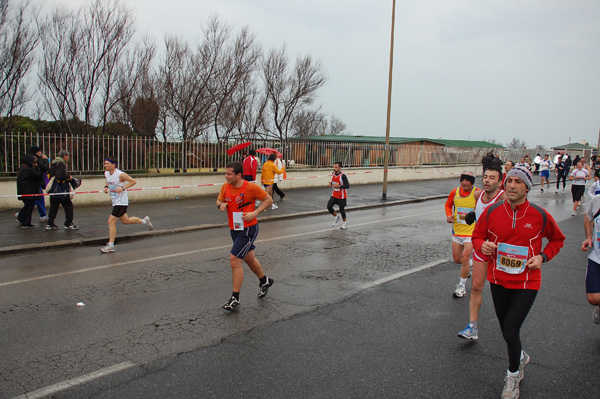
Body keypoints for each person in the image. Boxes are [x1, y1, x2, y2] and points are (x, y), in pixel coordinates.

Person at [472, 166, 565, 399]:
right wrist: (481, 246)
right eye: (509, 181)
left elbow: (557, 239)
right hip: (499, 279)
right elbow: (477, 236)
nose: (511, 185)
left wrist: (542, 257)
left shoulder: (539, 215)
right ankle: (520, 356)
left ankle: (513, 375)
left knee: (512, 330)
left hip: (527, 281)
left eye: (517, 182)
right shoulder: (493, 212)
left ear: (527, 187)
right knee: (506, 331)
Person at [216, 161, 275, 311]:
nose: (226, 176)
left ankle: (235, 298)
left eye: (229, 174)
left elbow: (268, 200)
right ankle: (265, 280)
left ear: (238, 175)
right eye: (226, 173)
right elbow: (219, 200)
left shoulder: (250, 187)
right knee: (249, 258)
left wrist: (255, 212)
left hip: (248, 229)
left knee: (235, 259)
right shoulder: (225, 187)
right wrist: (220, 205)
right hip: (235, 229)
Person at [457, 166, 506, 340]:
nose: (487, 180)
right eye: (485, 177)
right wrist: (473, 215)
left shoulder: (504, 199)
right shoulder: (477, 195)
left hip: (501, 251)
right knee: (476, 286)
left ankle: (509, 326)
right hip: (481, 247)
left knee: (502, 291)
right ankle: (473, 328)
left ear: (500, 183)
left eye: (492, 178)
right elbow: (481, 214)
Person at [100, 156, 153, 253]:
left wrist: (123, 188)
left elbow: (133, 181)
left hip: (121, 202)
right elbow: (107, 180)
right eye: (105, 163)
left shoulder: (120, 175)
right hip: (115, 201)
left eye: (107, 163)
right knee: (126, 221)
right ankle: (145, 221)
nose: (105, 165)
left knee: (111, 221)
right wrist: (105, 187)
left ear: (113, 165)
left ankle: (111, 245)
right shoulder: (106, 173)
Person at [444, 170, 482, 298]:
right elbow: (448, 205)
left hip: (471, 232)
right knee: (457, 259)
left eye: (468, 180)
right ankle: (470, 265)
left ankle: (461, 287)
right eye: (463, 180)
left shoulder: (478, 193)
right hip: (457, 230)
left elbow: (485, 207)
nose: (465, 183)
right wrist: (449, 215)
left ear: (472, 182)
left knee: (465, 257)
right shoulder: (455, 192)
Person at [580, 194, 600, 325]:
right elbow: (588, 217)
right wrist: (588, 237)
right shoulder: (597, 200)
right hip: (597, 257)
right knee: (593, 298)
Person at [46, 150, 78, 230]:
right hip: (61, 190)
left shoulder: (54, 163)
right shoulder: (60, 164)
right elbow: (59, 176)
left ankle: (50, 223)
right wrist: (68, 177)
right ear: (64, 156)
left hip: (54, 190)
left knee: (53, 207)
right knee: (68, 206)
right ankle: (68, 223)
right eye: (68, 156)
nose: (68, 158)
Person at [16, 154, 43, 228]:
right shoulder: (28, 170)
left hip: (24, 191)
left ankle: (21, 218)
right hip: (29, 192)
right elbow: (38, 175)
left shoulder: (22, 169)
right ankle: (26, 223)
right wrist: (37, 167)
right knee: (29, 207)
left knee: (27, 206)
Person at [29, 146, 49, 223]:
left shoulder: (29, 158)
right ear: (37, 152)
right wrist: (45, 159)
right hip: (36, 182)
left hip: (33, 182)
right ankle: (21, 214)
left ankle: (43, 215)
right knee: (38, 199)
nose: (41, 153)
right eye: (40, 151)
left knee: (37, 199)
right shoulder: (35, 159)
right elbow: (44, 168)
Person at [327, 161, 350, 230]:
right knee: (329, 207)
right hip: (334, 194)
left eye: (336, 167)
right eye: (334, 167)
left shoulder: (343, 176)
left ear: (340, 168)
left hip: (341, 196)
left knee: (342, 210)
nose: (334, 168)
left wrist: (339, 186)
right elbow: (333, 182)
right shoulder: (333, 174)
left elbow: (347, 186)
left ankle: (345, 223)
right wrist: (331, 184)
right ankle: (336, 218)